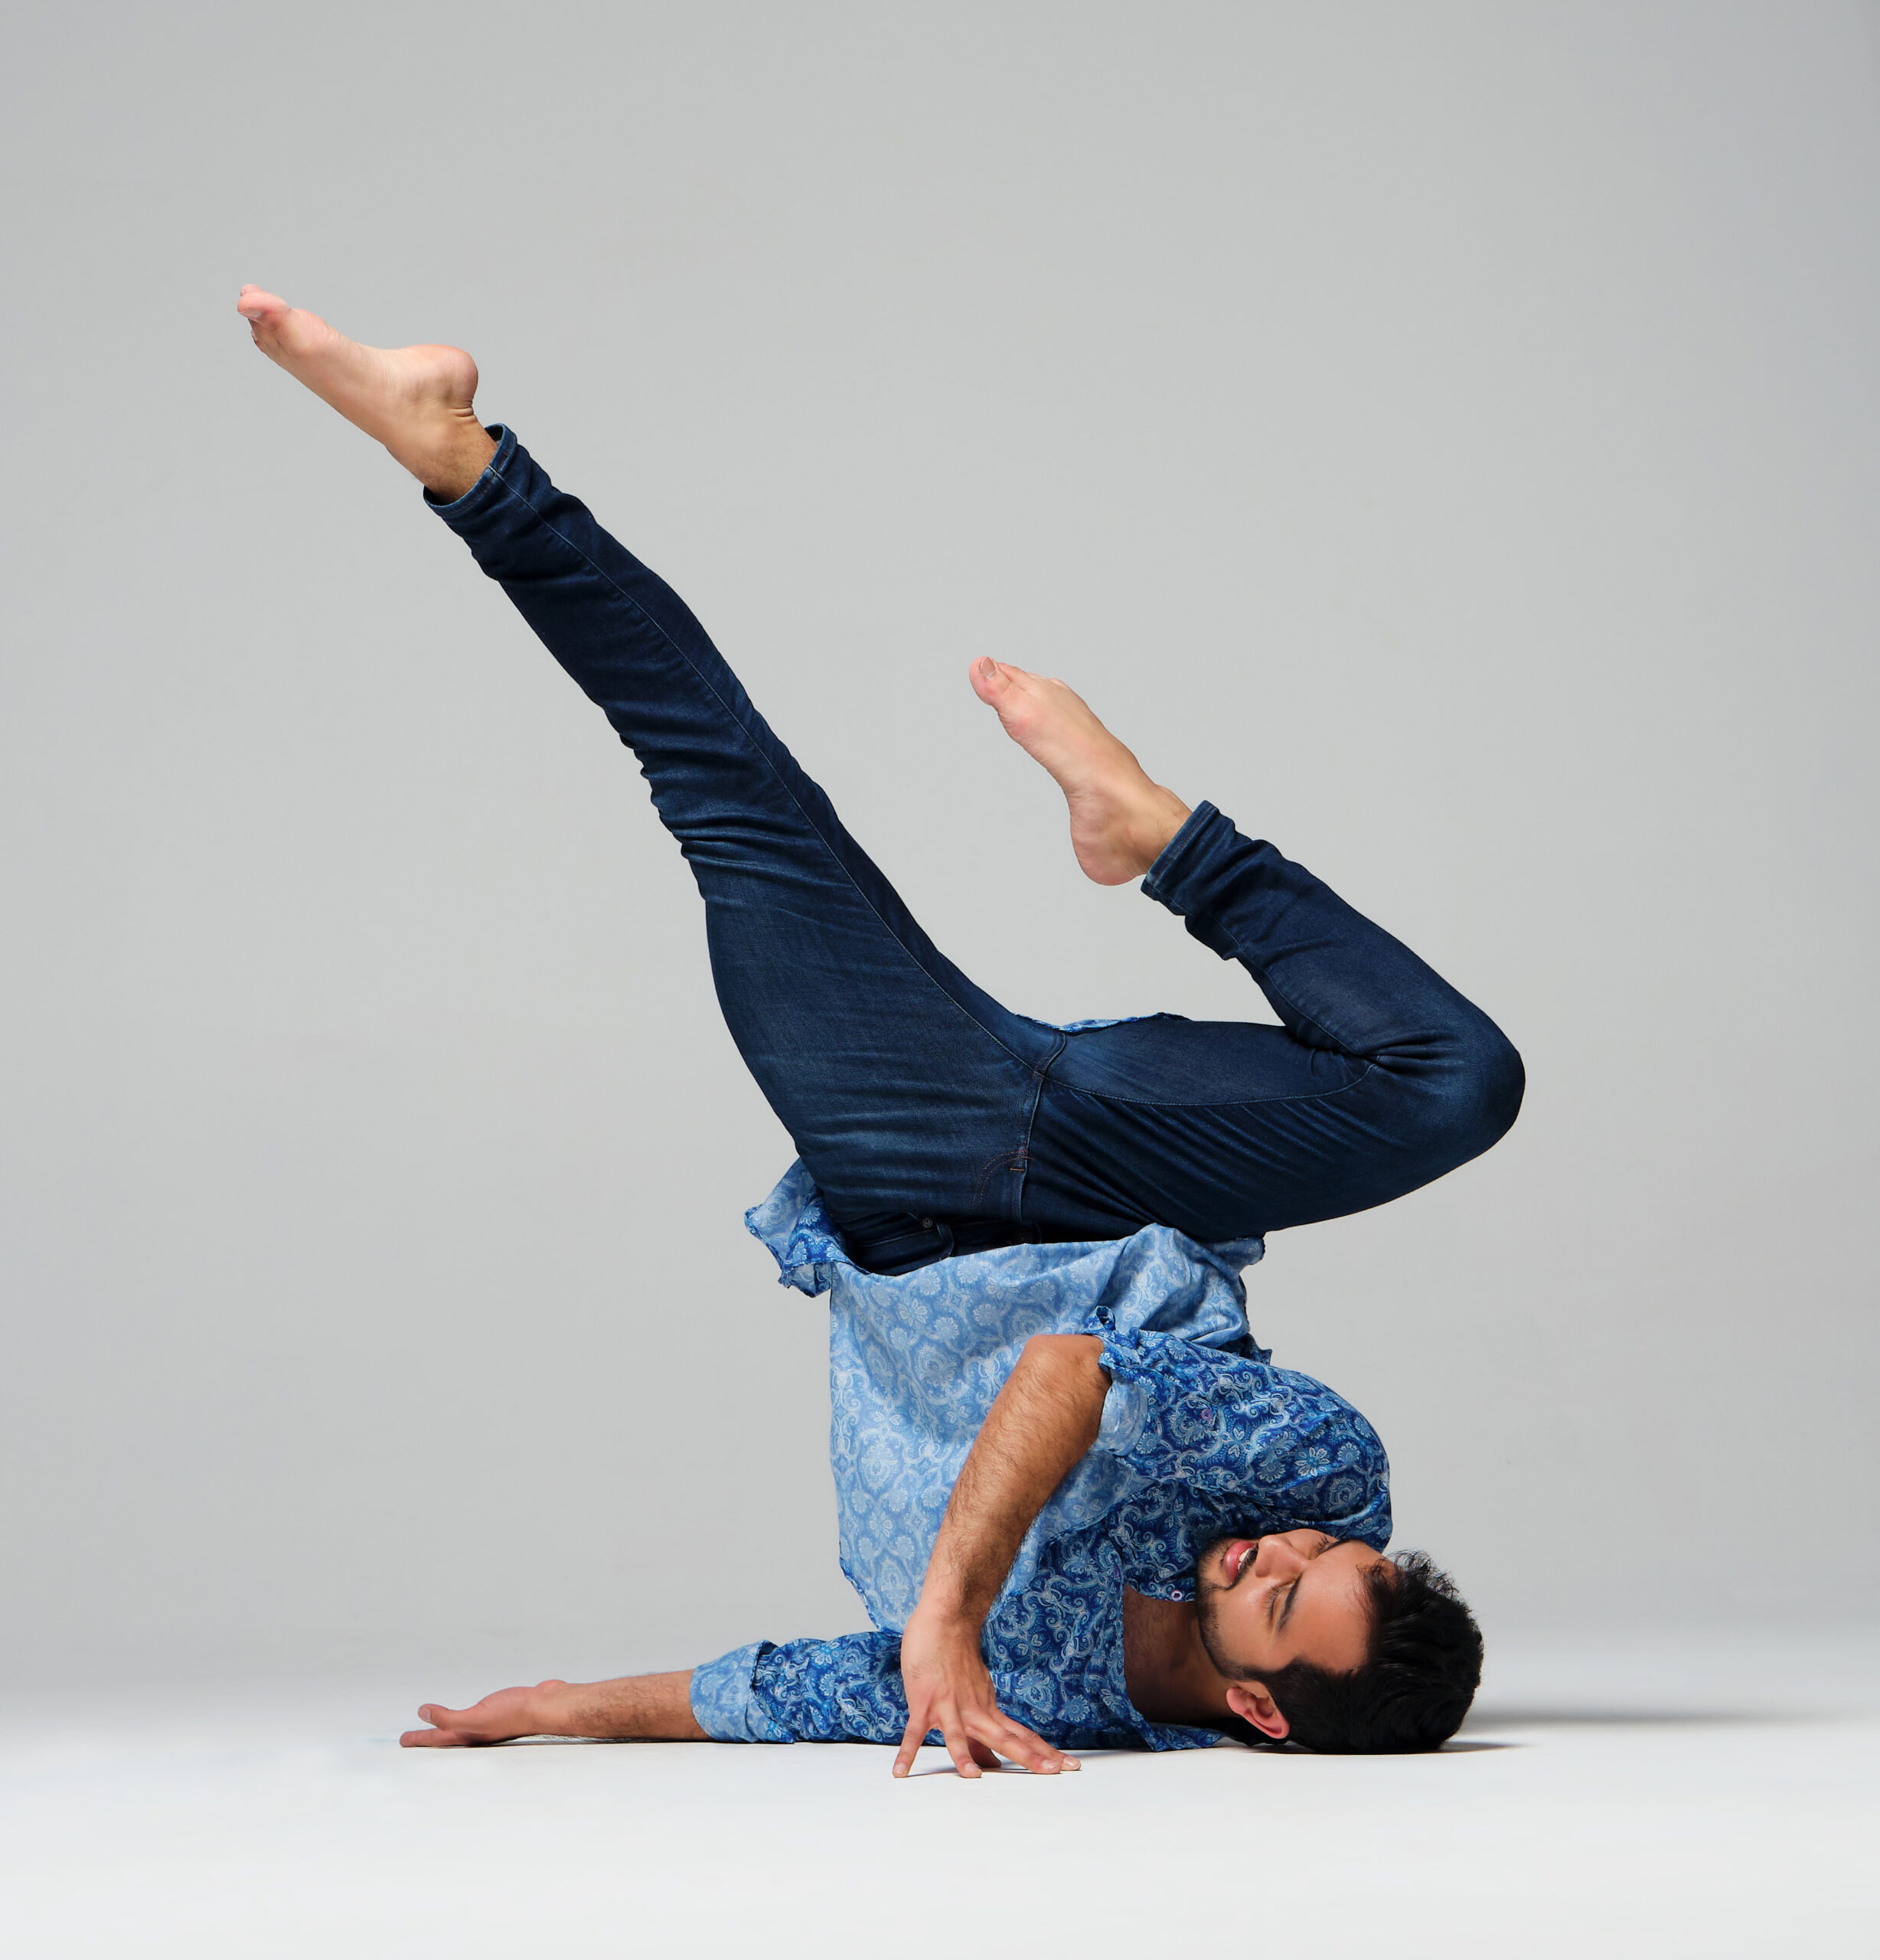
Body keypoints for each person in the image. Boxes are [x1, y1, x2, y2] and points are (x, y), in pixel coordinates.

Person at [234, 286, 1524, 1773]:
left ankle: (455, 452)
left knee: (728, 794)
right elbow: (1066, 1367)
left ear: (1255, 1704)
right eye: (1324, 1548)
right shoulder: (1318, 1469)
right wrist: (950, 1616)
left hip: (909, 1169)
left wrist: (562, 1706)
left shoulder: (1038, 1693)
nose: (1281, 1541)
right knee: (1456, 1084)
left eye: (1286, 1586)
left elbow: (794, 1687)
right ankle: (1161, 833)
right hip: (1117, 1171)